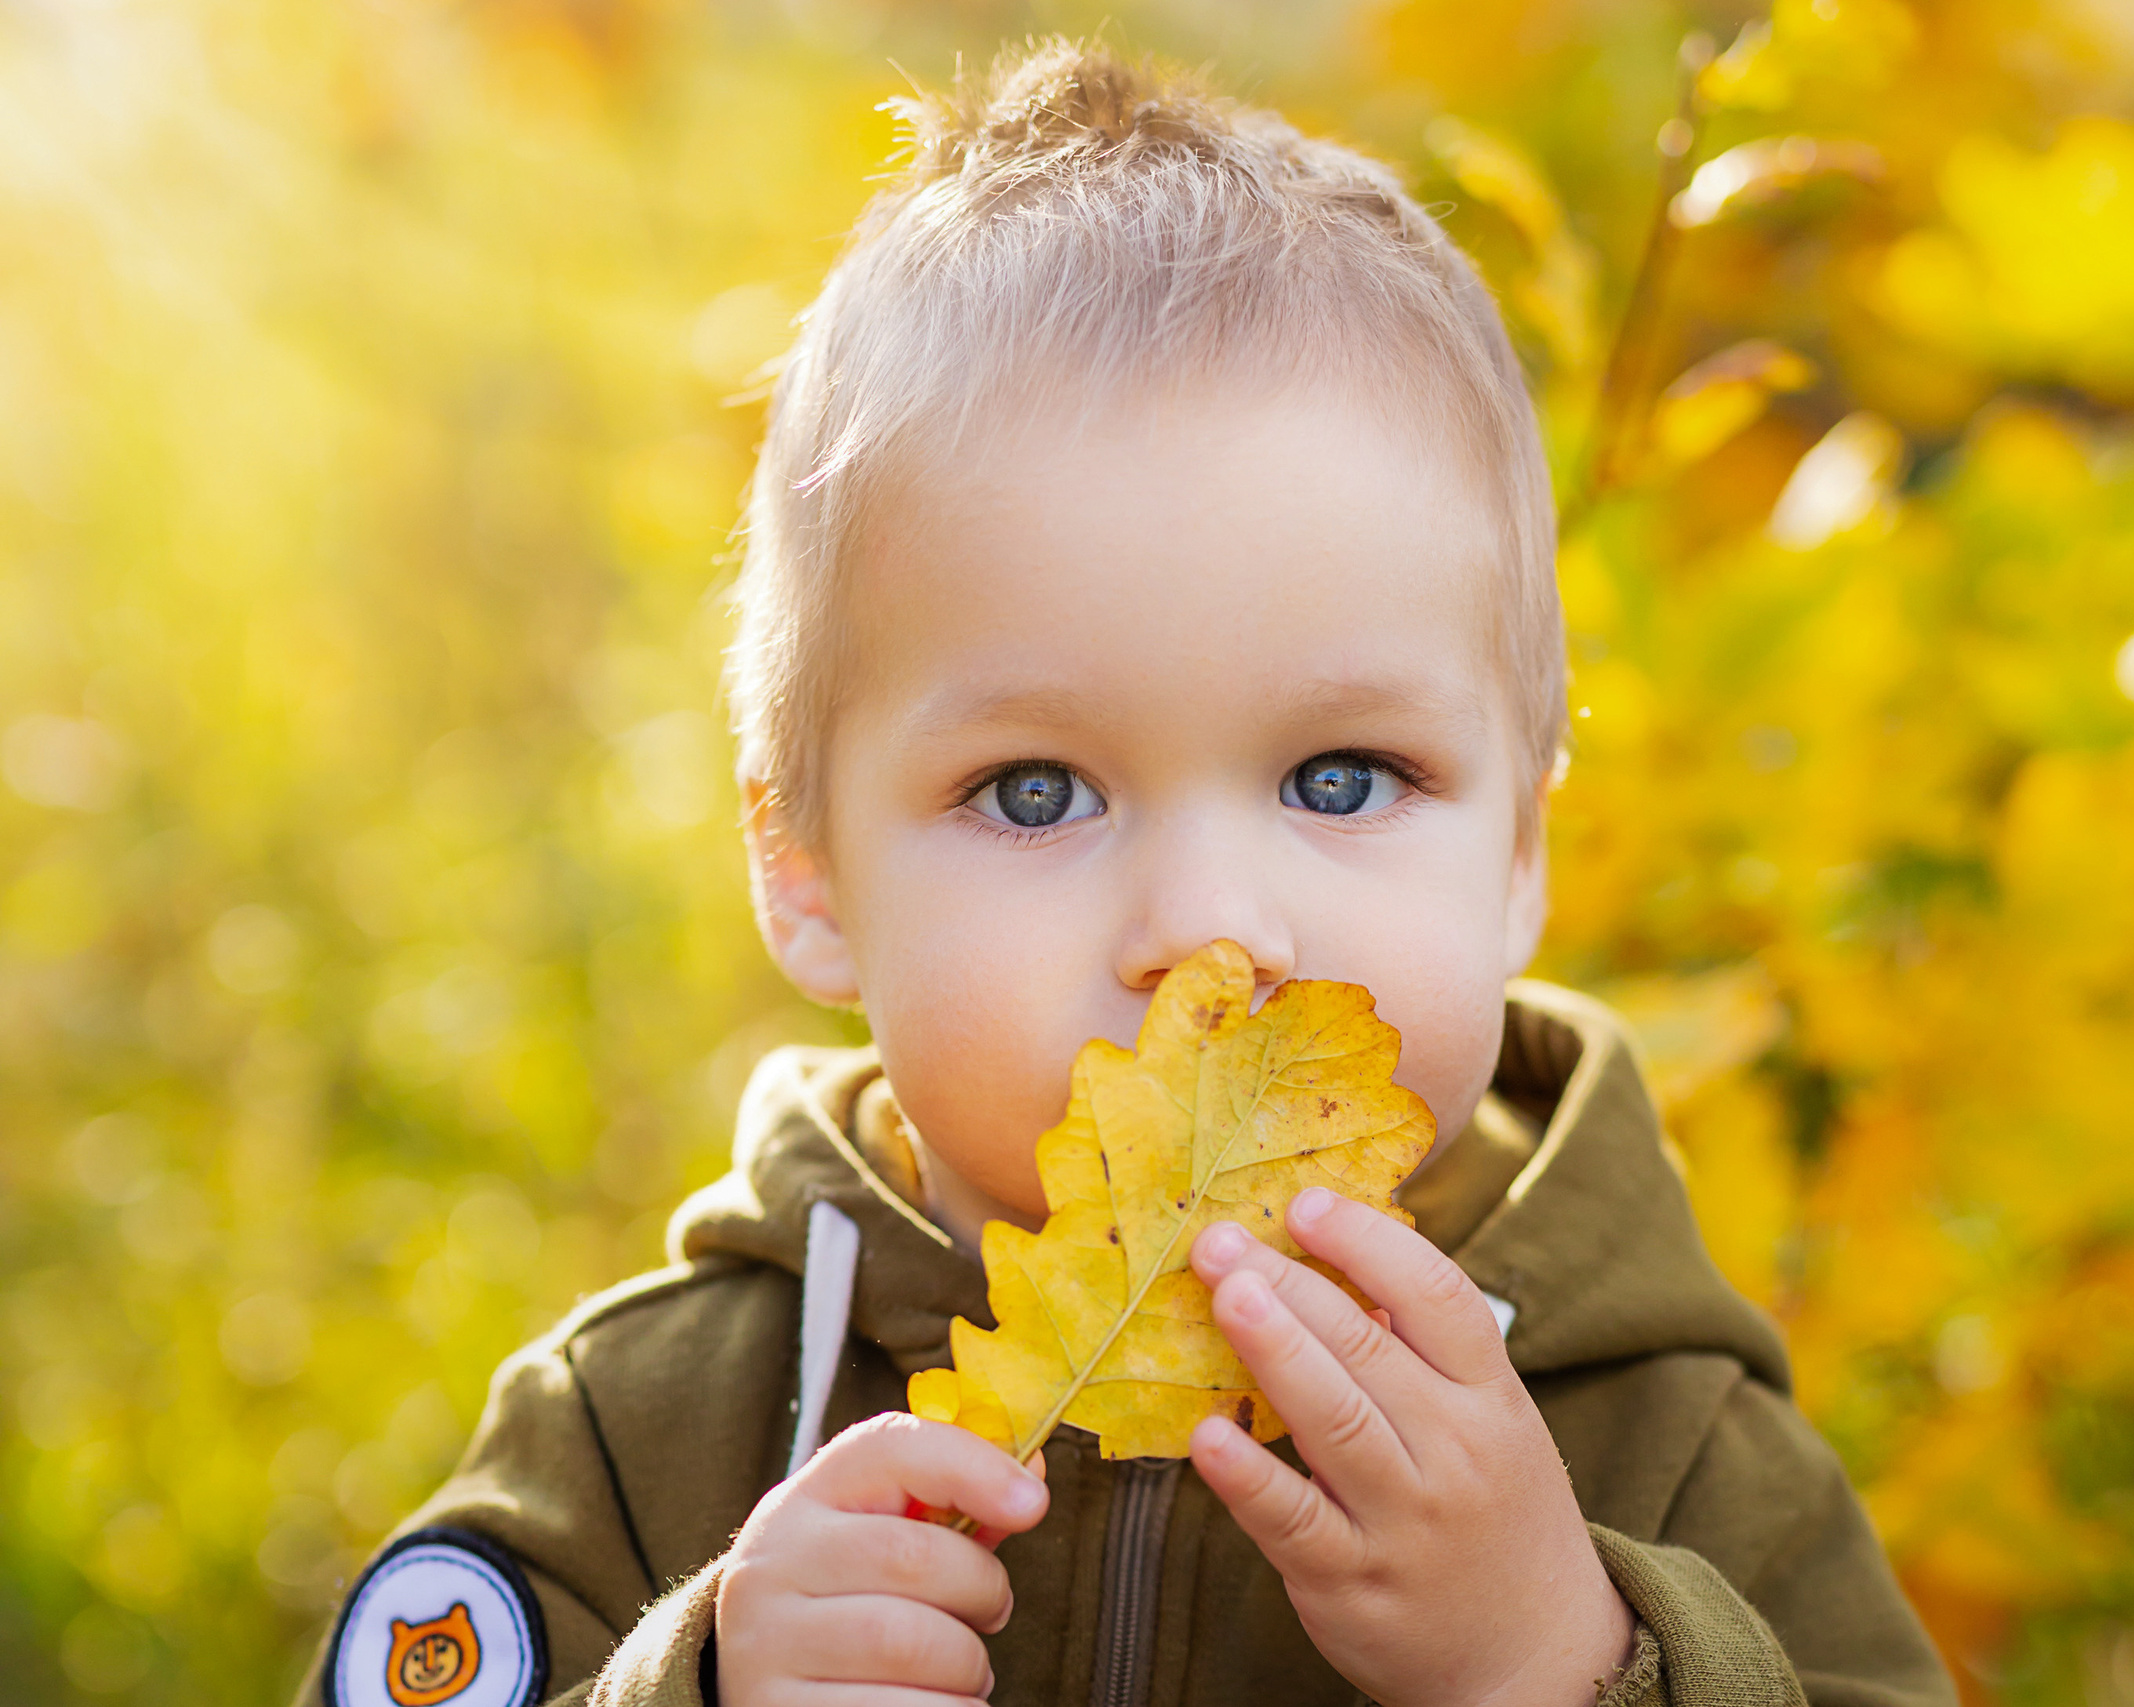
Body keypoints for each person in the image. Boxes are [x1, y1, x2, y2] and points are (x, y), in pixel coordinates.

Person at [300, 40, 1955, 1707]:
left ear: (1520, 852)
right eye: (1035, 792)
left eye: (1340, 777)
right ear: (807, 873)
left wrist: (1560, 1664)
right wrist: (699, 1688)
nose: (1214, 935)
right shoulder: (652, 1428)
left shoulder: (1663, 1440)